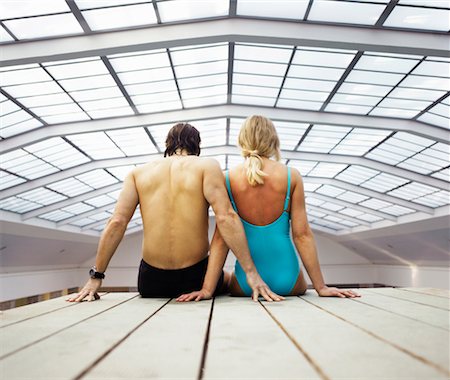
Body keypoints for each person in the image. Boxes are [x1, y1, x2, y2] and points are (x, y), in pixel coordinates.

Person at [67, 123, 283, 303]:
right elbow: (226, 217)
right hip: (194, 278)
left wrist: (96, 277)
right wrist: (251, 273)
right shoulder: (206, 166)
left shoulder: (137, 173)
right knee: (228, 279)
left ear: (167, 145)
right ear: (197, 146)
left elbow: (117, 222)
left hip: (150, 281)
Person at [177, 116, 360, 302]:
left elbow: (220, 239)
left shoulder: (227, 179)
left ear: (242, 141)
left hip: (245, 284)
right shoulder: (291, 176)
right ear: (273, 140)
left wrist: (207, 289)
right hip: (289, 281)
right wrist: (321, 287)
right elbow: (302, 235)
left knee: (226, 279)